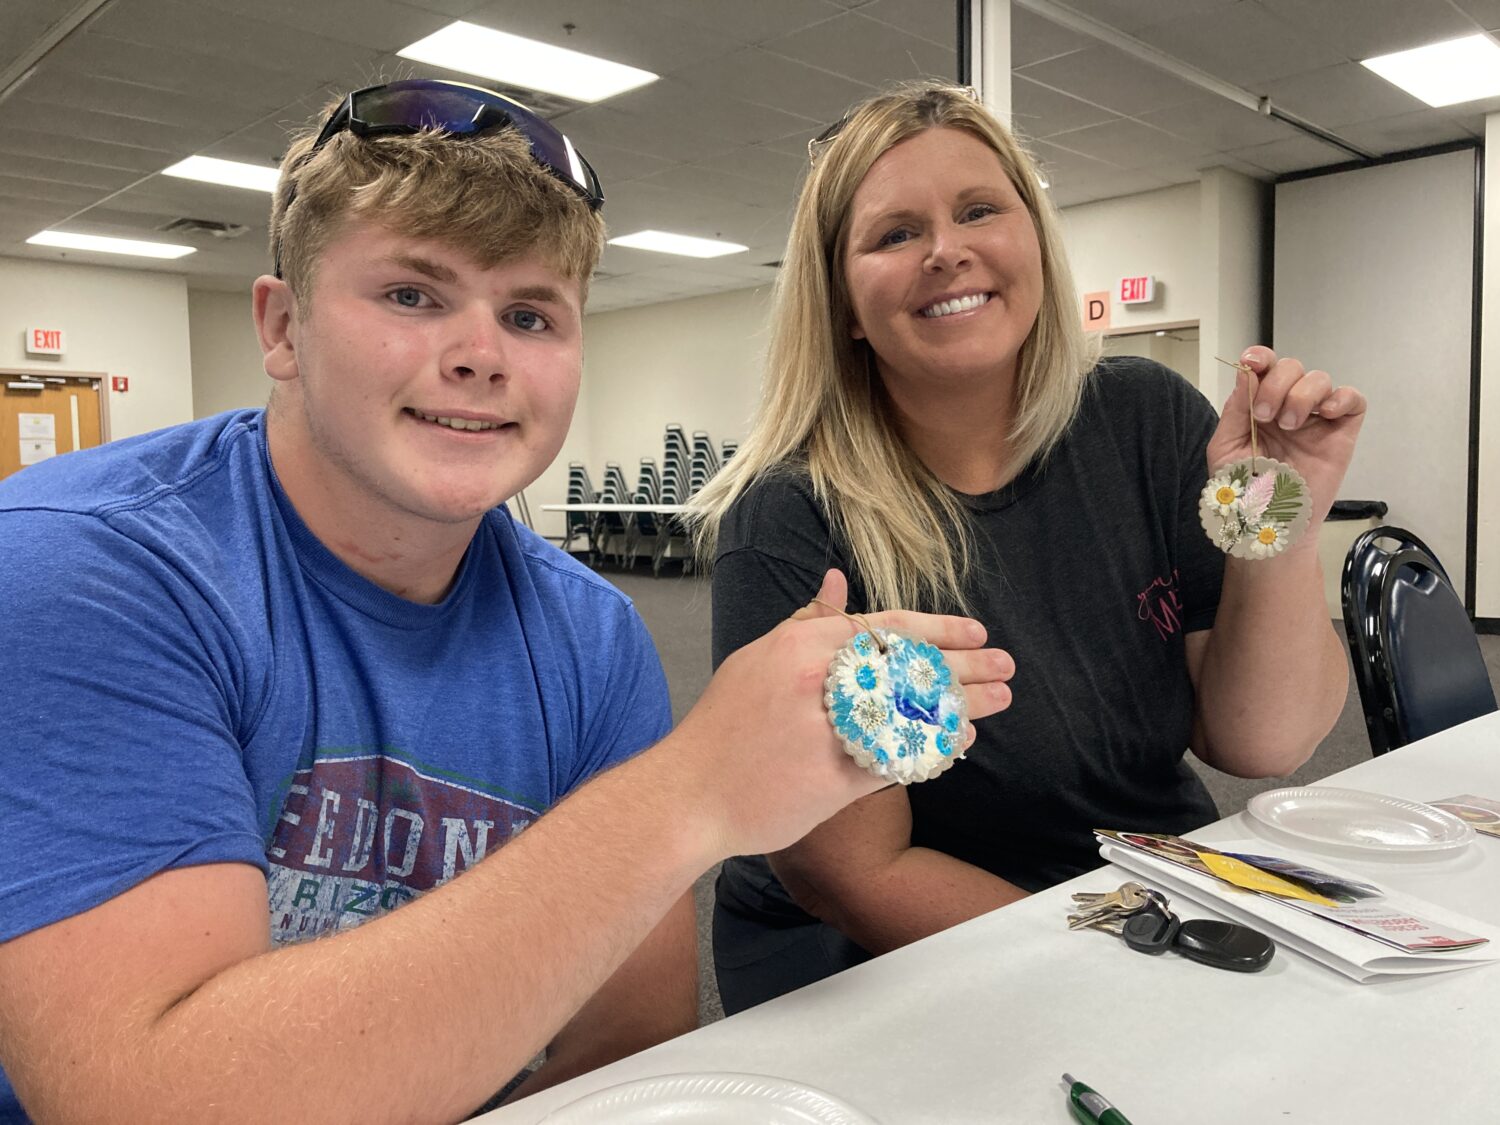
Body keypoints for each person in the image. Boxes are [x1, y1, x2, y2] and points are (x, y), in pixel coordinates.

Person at [0, 79, 1014, 1123]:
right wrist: (693, 790)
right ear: (284, 326)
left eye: (530, 314)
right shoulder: (88, 568)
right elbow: (148, 1098)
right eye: (412, 295)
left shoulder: (591, 634)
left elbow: (628, 1047)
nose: (481, 355)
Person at [690, 80, 1366, 1014]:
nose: (947, 250)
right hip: (898, 956)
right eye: (894, 234)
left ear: (1034, 243)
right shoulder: (795, 520)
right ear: (843, 302)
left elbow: (1263, 737)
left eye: (979, 210)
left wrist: (1278, 512)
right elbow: (861, 873)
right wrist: (1120, 965)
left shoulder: (1147, 419)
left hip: (1146, 888)